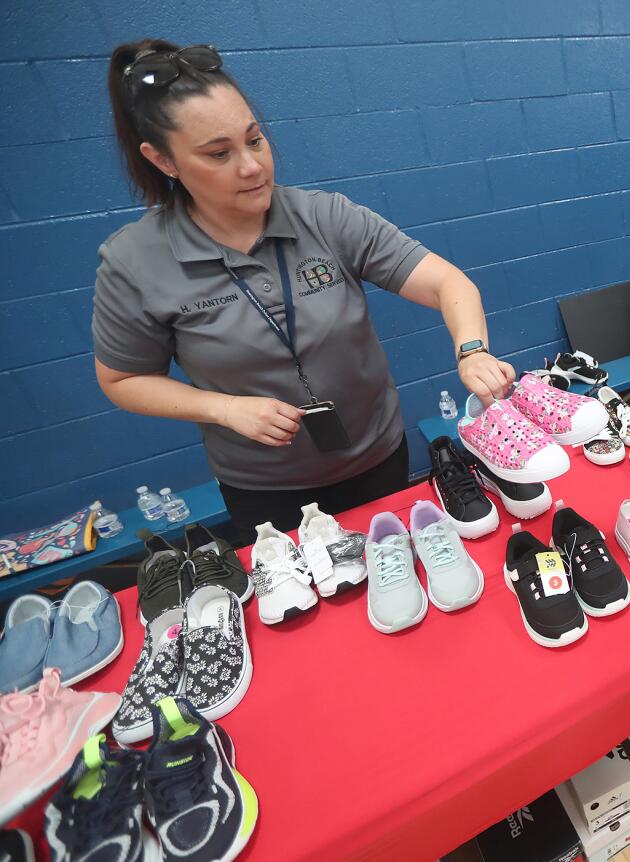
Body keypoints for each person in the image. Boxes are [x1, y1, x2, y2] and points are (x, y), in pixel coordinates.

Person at [94, 41, 515, 544]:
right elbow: (122, 379)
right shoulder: (135, 260)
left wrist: (472, 350)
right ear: (163, 160)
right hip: (264, 488)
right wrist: (223, 409)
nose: (251, 166)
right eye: (218, 153)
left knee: (397, 570)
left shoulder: (326, 217)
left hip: (377, 455)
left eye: (254, 140)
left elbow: (450, 283)